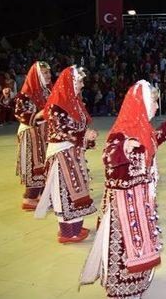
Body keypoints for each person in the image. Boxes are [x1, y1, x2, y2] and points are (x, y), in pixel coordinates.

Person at [80, 80, 166, 298]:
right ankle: (122, 288)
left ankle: (138, 281)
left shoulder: (142, 127)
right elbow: (109, 155)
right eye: (153, 101)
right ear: (141, 103)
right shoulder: (123, 132)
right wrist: (122, 151)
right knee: (125, 244)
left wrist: (163, 133)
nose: (156, 106)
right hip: (124, 207)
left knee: (141, 240)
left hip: (141, 200)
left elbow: (147, 146)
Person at [35, 66, 98, 243]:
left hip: (73, 153)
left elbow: (78, 127)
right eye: (79, 81)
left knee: (76, 190)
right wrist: (83, 136)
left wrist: (88, 137)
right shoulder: (57, 104)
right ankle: (67, 232)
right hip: (61, 155)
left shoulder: (74, 101)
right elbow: (60, 131)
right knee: (65, 192)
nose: (82, 84)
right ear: (69, 82)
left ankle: (75, 227)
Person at [14, 61, 52, 211]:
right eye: (45, 73)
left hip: (43, 132)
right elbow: (20, 113)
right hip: (31, 133)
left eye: (49, 72)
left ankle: (41, 195)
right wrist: (39, 115)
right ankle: (29, 199)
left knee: (44, 163)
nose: (49, 75)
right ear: (36, 75)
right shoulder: (26, 93)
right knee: (34, 164)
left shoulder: (47, 91)